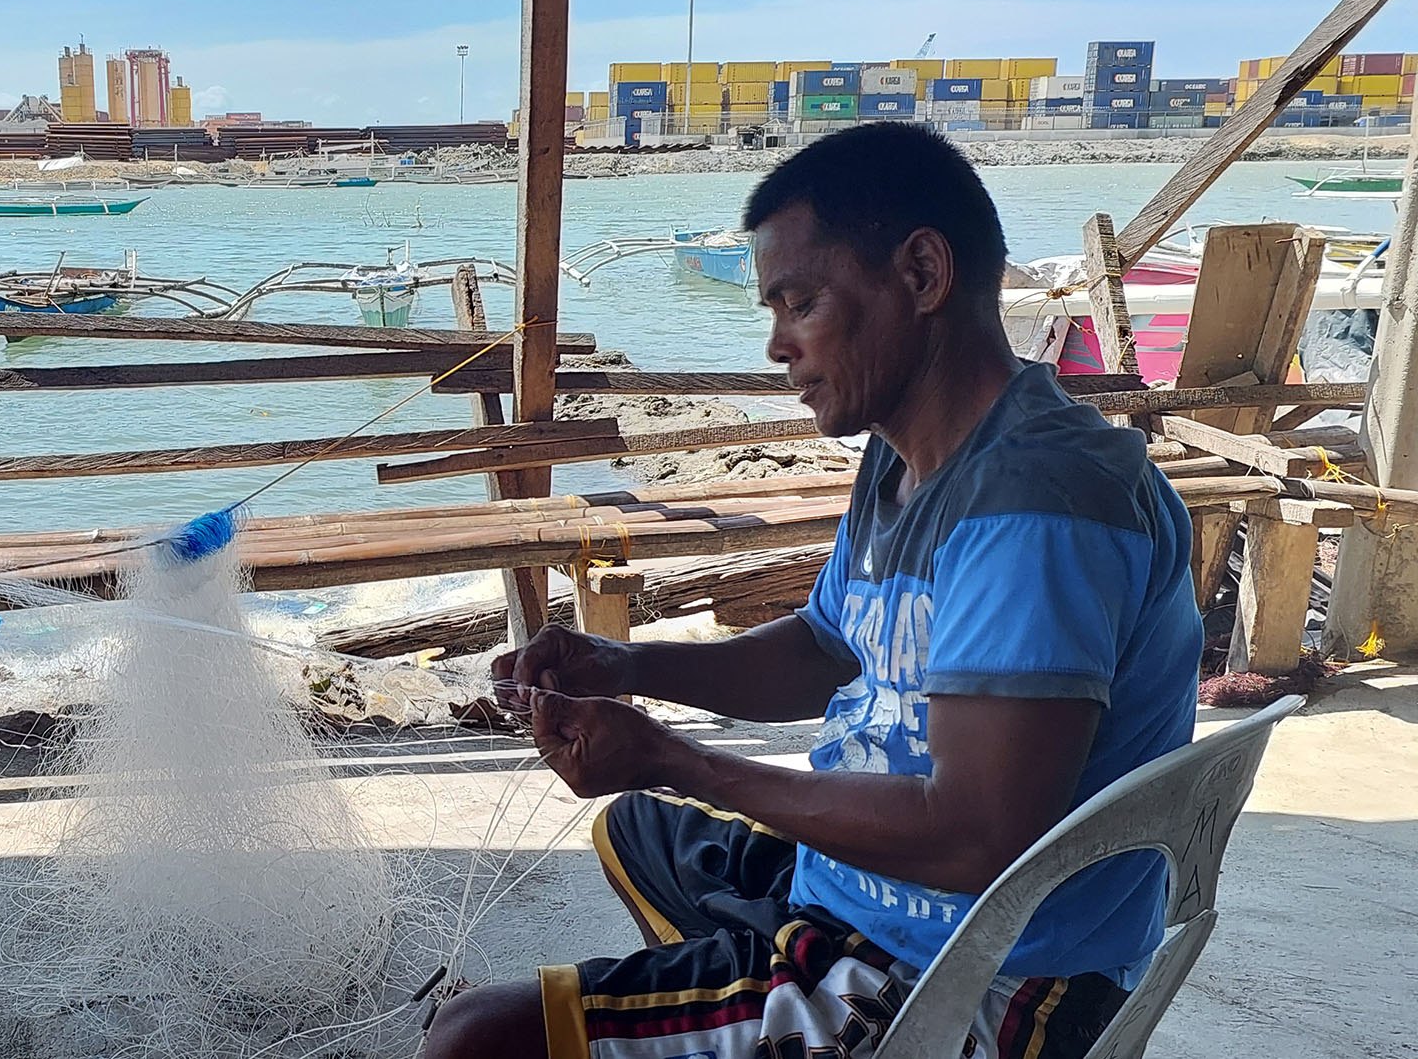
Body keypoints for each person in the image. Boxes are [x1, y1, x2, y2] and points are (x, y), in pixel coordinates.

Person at [422, 122, 1202, 1059]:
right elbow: (825, 647)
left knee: (476, 1039)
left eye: (800, 302)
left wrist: (680, 759)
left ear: (921, 274)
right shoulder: (905, 455)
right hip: (870, 895)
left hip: (974, 982)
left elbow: (973, 837)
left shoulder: (1039, 500)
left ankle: (769, 1012)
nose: (776, 345)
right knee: (635, 830)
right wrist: (618, 663)